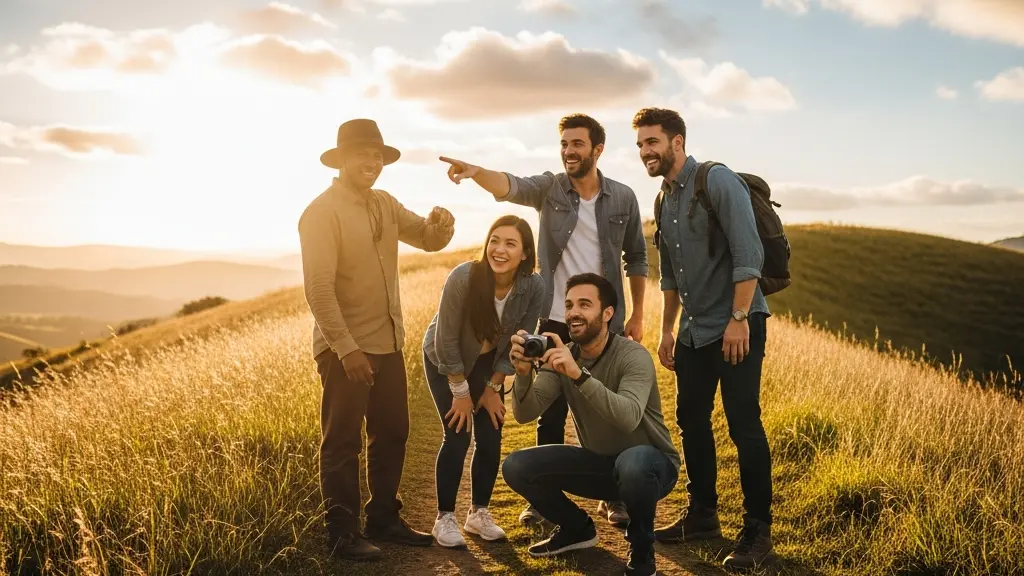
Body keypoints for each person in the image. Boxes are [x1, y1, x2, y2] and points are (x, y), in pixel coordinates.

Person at [439, 113, 647, 528]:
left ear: (597, 150)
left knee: (608, 408)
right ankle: (545, 499)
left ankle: (615, 495)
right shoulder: (551, 188)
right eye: (565, 144)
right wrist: (478, 171)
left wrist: (637, 313)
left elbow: (636, 257)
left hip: (604, 321)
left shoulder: (623, 197)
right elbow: (511, 186)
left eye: (578, 145)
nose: (569, 151)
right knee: (549, 410)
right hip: (554, 319)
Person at [298, 118, 456, 561]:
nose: (372, 162)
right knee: (343, 441)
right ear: (342, 159)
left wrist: (441, 225)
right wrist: (346, 349)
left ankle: (383, 517)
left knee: (393, 433)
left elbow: (426, 238)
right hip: (345, 349)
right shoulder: (320, 212)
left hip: (388, 343)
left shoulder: (384, 203)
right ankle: (342, 535)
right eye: (362, 154)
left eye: (377, 156)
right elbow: (319, 290)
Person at [632, 107, 775, 570]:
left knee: (742, 423)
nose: (645, 152)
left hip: (737, 323)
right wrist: (667, 329)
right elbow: (669, 274)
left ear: (677, 142)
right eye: (639, 145)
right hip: (693, 331)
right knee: (691, 418)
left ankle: (757, 532)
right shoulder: (661, 200)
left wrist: (738, 318)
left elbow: (748, 254)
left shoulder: (717, 181)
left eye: (652, 142)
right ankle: (703, 517)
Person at [501, 273, 679, 576]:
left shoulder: (633, 355)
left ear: (607, 313)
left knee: (633, 461)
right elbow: (525, 412)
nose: (573, 312)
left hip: (651, 467)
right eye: (569, 305)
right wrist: (521, 373)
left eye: (585, 304)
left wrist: (579, 375)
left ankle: (642, 550)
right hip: (601, 466)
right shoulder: (564, 355)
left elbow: (628, 417)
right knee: (516, 466)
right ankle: (576, 528)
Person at [421, 215, 546, 548]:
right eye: (494, 240)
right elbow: (445, 340)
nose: (499, 249)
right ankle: (444, 518)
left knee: (491, 432)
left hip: (488, 362)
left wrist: (493, 388)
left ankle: (478, 514)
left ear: (525, 253)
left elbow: (519, 339)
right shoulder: (464, 277)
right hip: (444, 359)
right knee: (458, 433)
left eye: (510, 243)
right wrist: (460, 391)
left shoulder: (534, 286)